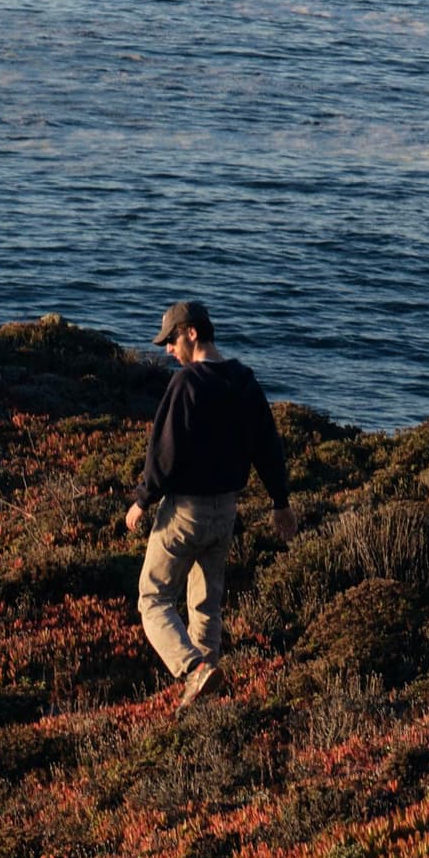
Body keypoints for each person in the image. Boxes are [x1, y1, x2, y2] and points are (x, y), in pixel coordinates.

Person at [128, 298, 294, 705]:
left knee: (153, 599)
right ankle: (204, 698)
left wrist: (141, 500)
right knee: (206, 606)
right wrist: (280, 502)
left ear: (192, 333)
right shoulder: (245, 381)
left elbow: (163, 454)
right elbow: (268, 448)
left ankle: (193, 669)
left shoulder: (187, 384)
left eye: (171, 340)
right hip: (226, 512)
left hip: (185, 512)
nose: (167, 350)